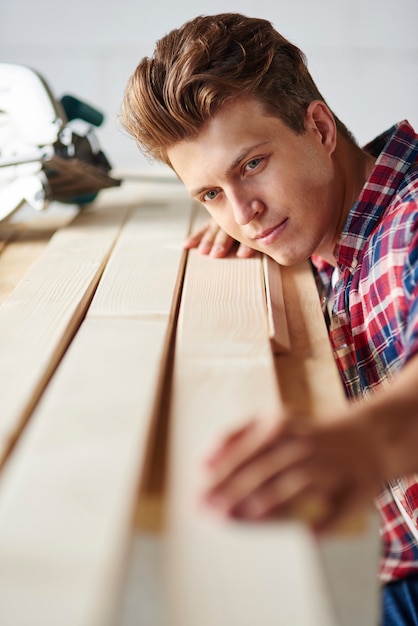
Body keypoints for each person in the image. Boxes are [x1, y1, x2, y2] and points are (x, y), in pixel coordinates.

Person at [120, 13, 418, 624]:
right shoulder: (328, 227)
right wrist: (250, 218)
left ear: (318, 126)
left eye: (252, 164)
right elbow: (247, 211)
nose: (243, 213)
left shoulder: (407, 225)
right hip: (396, 569)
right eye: (209, 194)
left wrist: (360, 440)